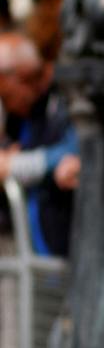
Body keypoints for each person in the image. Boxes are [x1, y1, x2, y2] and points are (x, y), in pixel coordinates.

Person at [0, 32, 77, 257]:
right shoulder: (25, 115)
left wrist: (14, 165)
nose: (5, 104)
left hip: (67, 248)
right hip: (39, 252)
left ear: (20, 77)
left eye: (5, 95)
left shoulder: (67, 97)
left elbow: (76, 150)